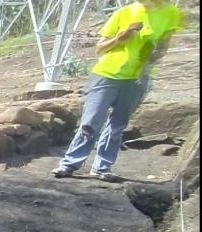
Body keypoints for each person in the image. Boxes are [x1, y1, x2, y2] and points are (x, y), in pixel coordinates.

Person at [52, 0, 181, 181]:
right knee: (90, 122)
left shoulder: (170, 13)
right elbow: (100, 48)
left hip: (137, 77)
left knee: (118, 125)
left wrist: (154, 55)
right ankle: (69, 164)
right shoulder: (124, 13)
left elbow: (164, 44)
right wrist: (120, 38)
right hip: (106, 75)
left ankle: (102, 167)